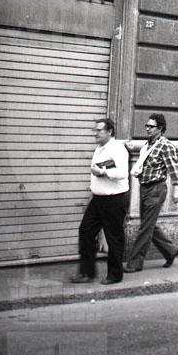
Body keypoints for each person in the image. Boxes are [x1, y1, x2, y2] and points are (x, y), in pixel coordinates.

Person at [71, 118, 129, 284]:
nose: (95, 133)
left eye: (99, 130)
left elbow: (122, 173)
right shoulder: (99, 148)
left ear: (109, 132)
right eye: (94, 130)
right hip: (98, 199)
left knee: (114, 237)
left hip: (114, 199)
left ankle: (115, 275)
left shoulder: (118, 149)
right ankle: (87, 273)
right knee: (86, 231)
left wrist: (103, 172)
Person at [124, 113, 178, 271]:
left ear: (160, 128)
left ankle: (135, 263)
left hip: (156, 189)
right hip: (145, 188)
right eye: (147, 126)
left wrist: (177, 189)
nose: (147, 129)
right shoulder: (148, 145)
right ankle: (170, 251)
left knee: (145, 228)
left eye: (151, 126)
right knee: (148, 225)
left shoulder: (165, 145)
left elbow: (174, 169)